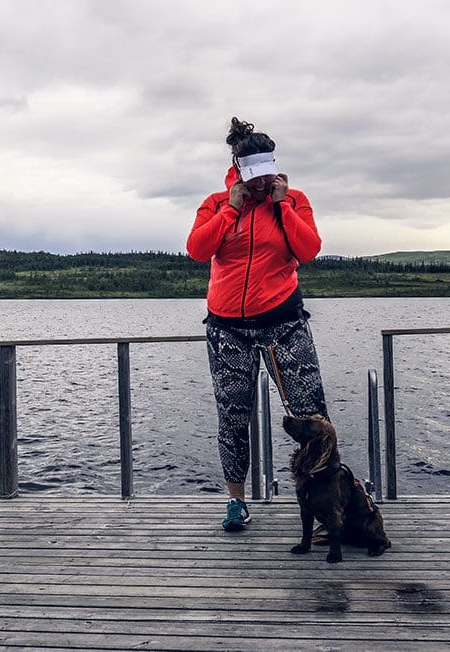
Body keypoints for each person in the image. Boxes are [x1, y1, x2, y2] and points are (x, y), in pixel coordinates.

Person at [187, 117, 329, 531]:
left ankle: (324, 500)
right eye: (254, 176)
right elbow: (198, 250)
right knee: (233, 416)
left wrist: (282, 205)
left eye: (267, 175)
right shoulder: (216, 203)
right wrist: (231, 209)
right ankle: (236, 502)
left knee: (311, 415)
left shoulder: (294, 200)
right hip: (227, 328)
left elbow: (308, 250)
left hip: (284, 322)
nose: (261, 184)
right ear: (238, 167)